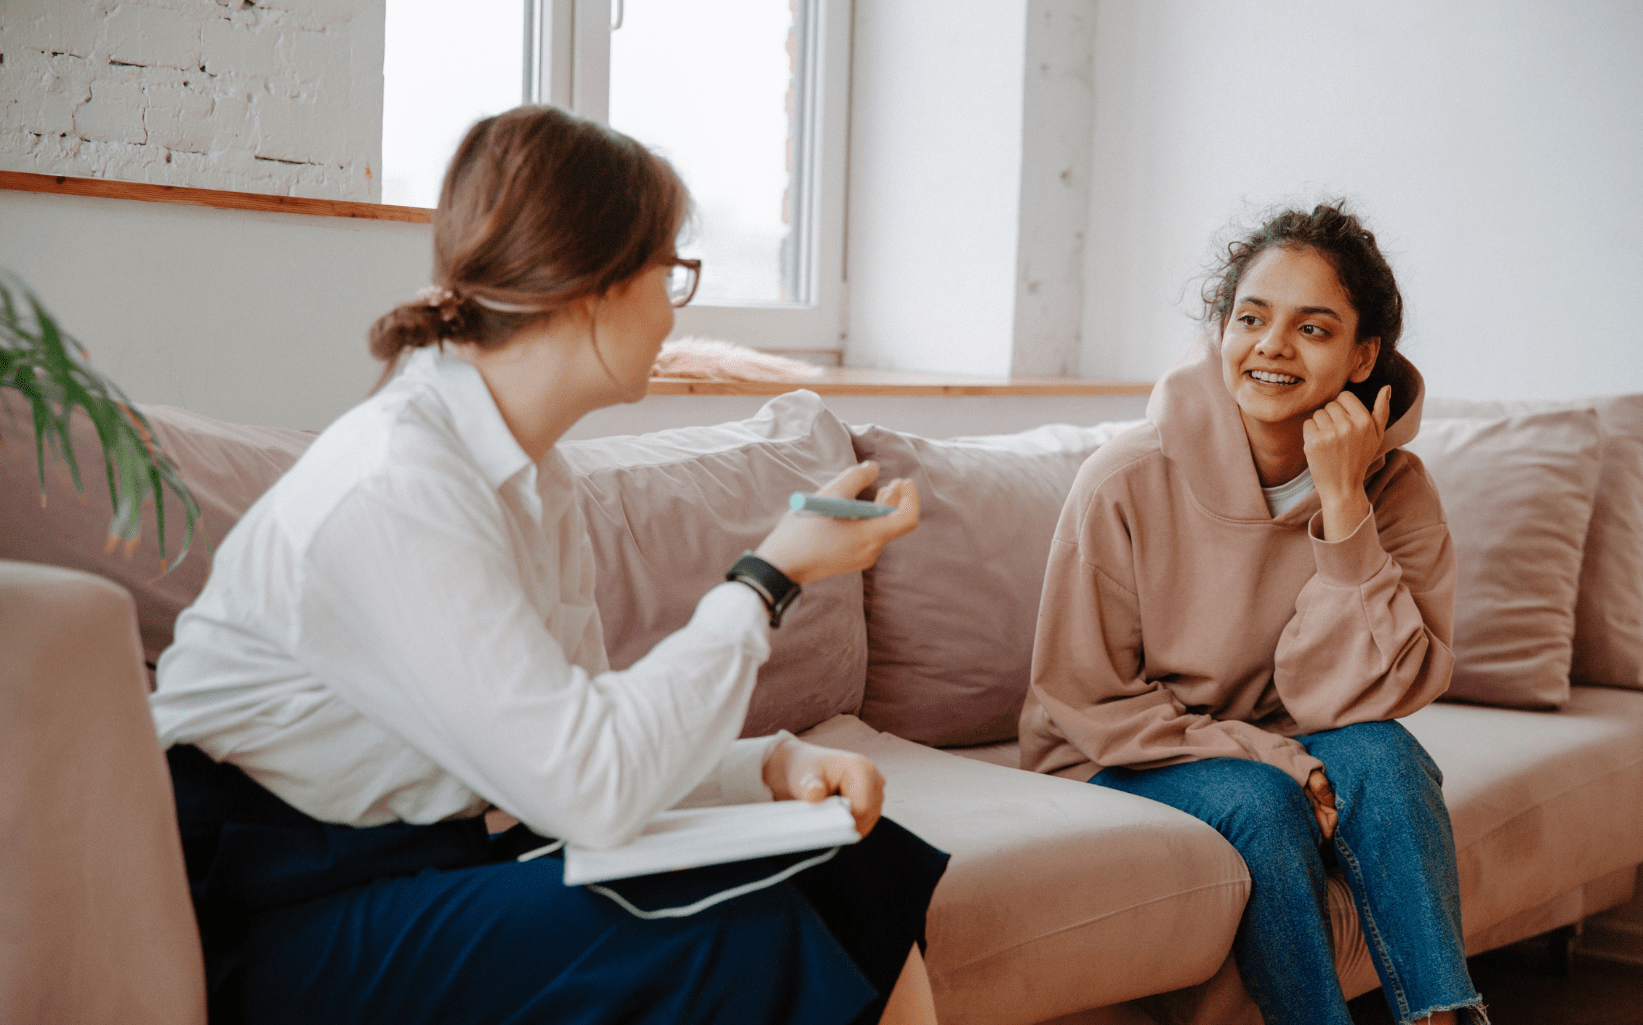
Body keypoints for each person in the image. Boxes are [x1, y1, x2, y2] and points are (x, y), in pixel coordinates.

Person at [150, 105, 947, 1025]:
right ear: (594, 286)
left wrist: (768, 766)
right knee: (733, 931)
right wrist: (766, 579)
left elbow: (582, 737)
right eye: (670, 272)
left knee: (855, 858)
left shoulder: (533, 477)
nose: (673, 307)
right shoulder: (399, 483)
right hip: (276, 906)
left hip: (419, 861)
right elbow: (592, 790)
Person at [1020, 203, 1488, 1025]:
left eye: (1312, 327)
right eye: (1249, 317)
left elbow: (1376, 695)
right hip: (1116, 752)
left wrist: (1344, 508)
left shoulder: (1396, 489)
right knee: (1262, 801)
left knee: (1385, 752)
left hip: (1288, 733)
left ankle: (1443, 1018)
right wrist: (1270, 756)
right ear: (1221, 331)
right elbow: (1085, 696)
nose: (1271, 345)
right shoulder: (1123, 479)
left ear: (1361, 355)